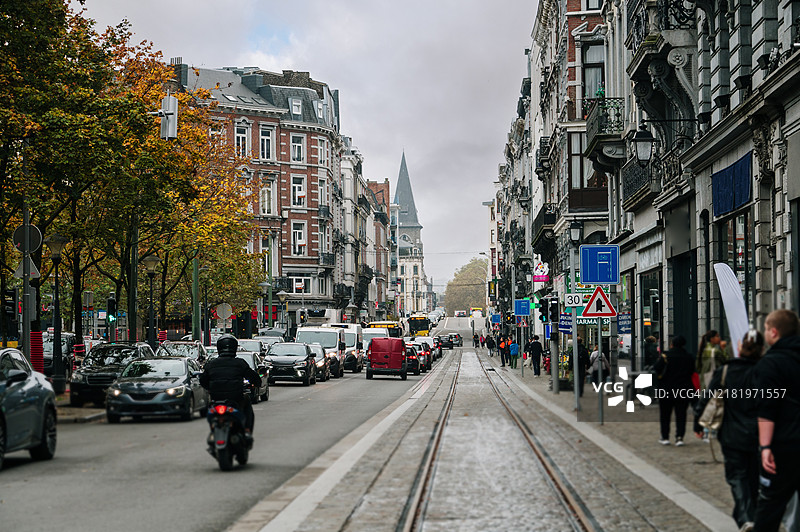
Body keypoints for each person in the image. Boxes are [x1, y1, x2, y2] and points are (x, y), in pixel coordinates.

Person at [695, 329, 763, 530]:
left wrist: (698, 422)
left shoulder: (726, 371)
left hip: (731, 434)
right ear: (761, 349)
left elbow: (707, 397)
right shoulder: (764, 371)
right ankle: (750, 514)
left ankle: (746, 516)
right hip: (758, 434)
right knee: (753, 477)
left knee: (737, 476)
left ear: (740, 348)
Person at [753, 309, 800, 532]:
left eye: (765, 328)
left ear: (774, 332)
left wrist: (765, 447)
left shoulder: (770, 363)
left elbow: (767, 408)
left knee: (770, 506)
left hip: (785, 445)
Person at [200, 334, 262, 437]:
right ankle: (247, 429)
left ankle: (213, 429)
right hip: (235, 399)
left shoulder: (211, 364)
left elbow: (203, 380)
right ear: (234, 348)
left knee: (209, 408)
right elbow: (254, 377)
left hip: (216, 399)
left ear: (219, 348)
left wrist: (210, 388)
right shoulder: (240, 363)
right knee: (247, 401)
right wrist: (256, 383)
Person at [653, 335, 695, 446]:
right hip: (683, 389)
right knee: (681, 414)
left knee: (665, 414)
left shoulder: (665, 356)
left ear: (672, 344)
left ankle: (665, 437)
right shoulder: (688, 357)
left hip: (666, 389)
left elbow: (657, 368)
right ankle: (679, 437)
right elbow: (692, 371)